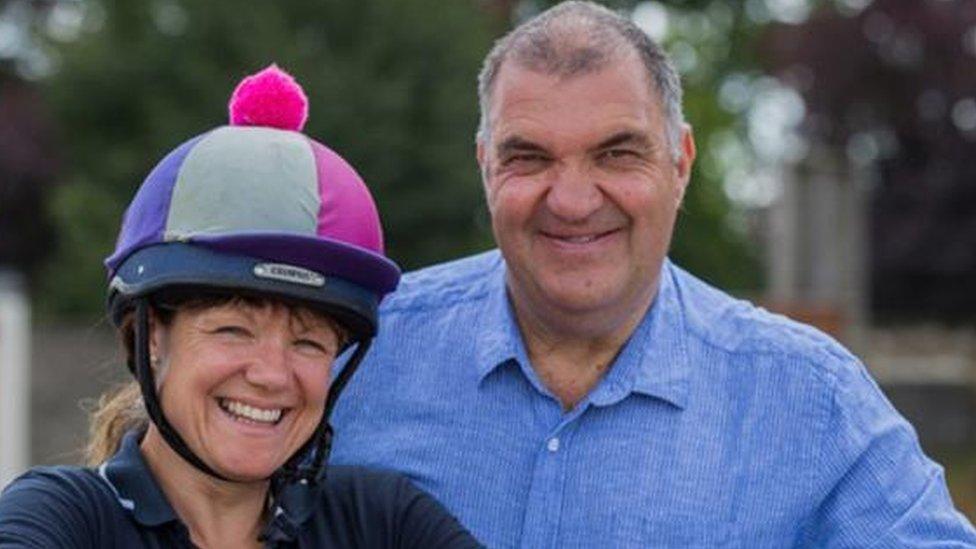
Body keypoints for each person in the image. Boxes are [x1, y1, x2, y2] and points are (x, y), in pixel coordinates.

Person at [329, 2, 976, 547]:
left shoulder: (809, 399)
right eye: (529, 157)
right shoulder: (358, 353)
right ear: (486, 168)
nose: (574, 200)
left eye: (617, 153)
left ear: (681, 163)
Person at [0, 65, 481, 548]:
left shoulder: (381, 521)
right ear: (149, 337)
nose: (272, 374)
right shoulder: (61, 518)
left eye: (308, 341)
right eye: (232, 329)